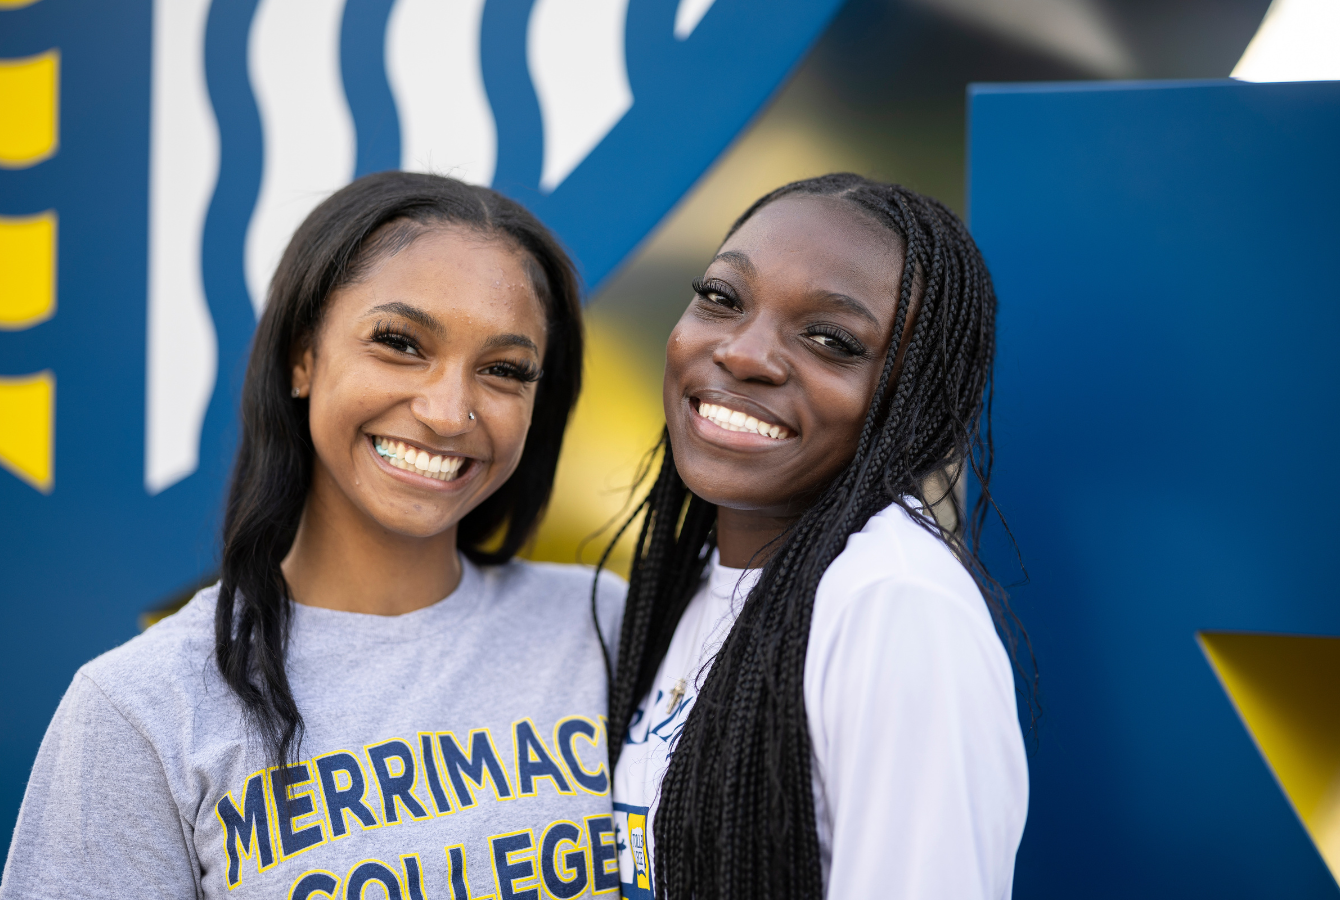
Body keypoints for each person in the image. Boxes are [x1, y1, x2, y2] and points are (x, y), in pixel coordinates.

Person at [1, 172, 624, 899]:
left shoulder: (600, 624)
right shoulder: (142, 706)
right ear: (303, 358)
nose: (450, 411)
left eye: (503, 370)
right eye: (399, 343)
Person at [604, 174, 1029, 900]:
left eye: (831, 340)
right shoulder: (694, 585)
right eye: (721, 298)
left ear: (915, 403)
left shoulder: (894, 607)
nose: (744, 354)